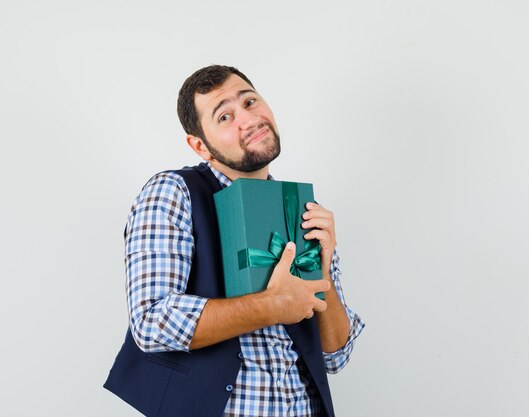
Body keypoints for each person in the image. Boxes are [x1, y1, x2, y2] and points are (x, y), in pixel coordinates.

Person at [104, 65, 364, 417]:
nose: (248, 119)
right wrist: (274, 305)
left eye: (250, 101)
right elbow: (152, 322)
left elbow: (336, 354)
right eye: (224, 116)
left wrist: (324, 275)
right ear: (200, 146)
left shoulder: (303, 209)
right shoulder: (172, 192)